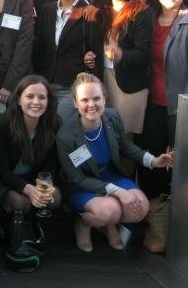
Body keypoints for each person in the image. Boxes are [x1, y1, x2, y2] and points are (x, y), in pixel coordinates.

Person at [56, 73, 173, 253]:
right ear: (75, 102)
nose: (91, 105)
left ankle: (108, 223)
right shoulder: (65, 136)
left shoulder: (113, 117)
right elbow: (78, 179)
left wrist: (153, 161)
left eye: (96, 98)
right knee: (109, 210)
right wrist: (117, 192)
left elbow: (125, 147)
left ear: (105, 98)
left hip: (110, 175)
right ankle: (84, 223)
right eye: (84, 100)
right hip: (83, 185)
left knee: (140, 208)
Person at [138, 0, 188, 199]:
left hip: (179, 105)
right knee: (152, 159)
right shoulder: (149, 18)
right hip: (151, 102)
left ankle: (179, 210)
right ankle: (152, 208)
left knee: (183, 161)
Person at [0, 75, 61, 239]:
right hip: (2, 180)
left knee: (54, 197)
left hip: (32, 178)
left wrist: (43, 185)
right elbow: (1, 170)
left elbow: (51, 163)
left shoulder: (53, 123)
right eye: (30, 96)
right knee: (21, 202)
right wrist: (28, 189)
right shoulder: (2, 123)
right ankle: (1, 220)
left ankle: (31, 225)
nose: (36, 102)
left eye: (42, 97)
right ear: (19, 100)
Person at [33, 0, 103, 118]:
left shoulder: (91, 13)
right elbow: (40, 49)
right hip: (45, 83)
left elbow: (96, 55)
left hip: (72, 86)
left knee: (63, 131)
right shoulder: (47, 10)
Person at [93, 0, 152, 141]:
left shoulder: (141, 12)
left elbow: (144, 53)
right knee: (102, 135)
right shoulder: (98, 10)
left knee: (124, 140)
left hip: (129, 87)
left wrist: (121, 55)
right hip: (102, 82)